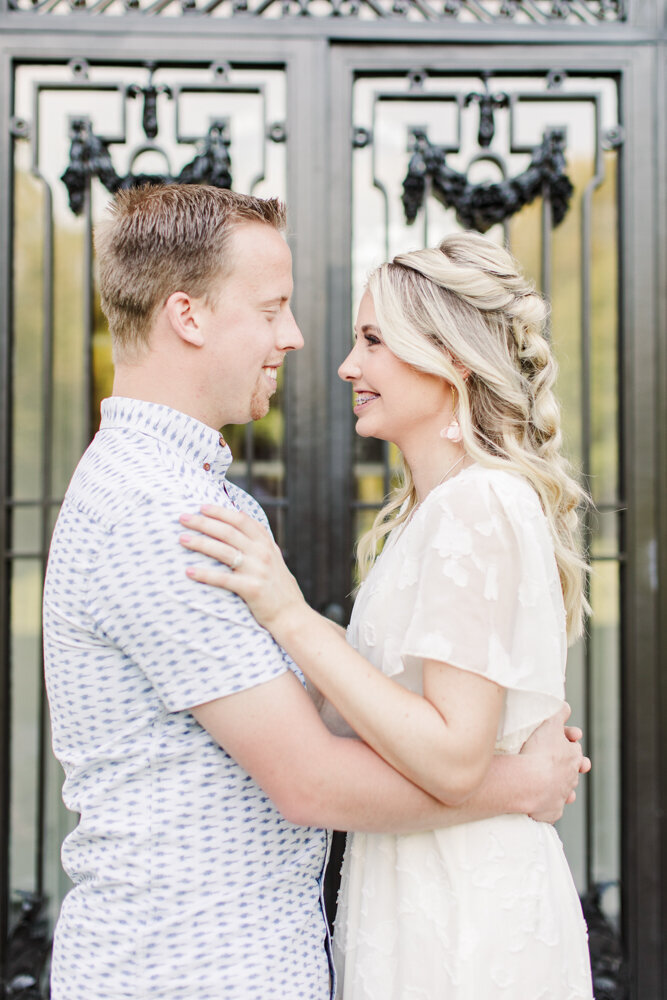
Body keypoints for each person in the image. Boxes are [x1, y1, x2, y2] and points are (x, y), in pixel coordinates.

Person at [42, 185, 587, 1000]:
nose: (300, 341)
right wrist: (521, 786)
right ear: (188, 317)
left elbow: (321, 715)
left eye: (371, 338)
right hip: (187, 971)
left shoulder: (210, 498)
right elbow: (307, 777)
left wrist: (297, 622)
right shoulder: (154, 511)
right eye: (272, 309)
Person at [178, 230, 594, 999]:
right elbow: (383, 721)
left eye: (372, 340)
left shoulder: (478, 505)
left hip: (464, 915)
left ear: (451, 360)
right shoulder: (430, 515)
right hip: (415, 885)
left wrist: (290, 614)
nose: (346, 366)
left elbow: (450, 754)